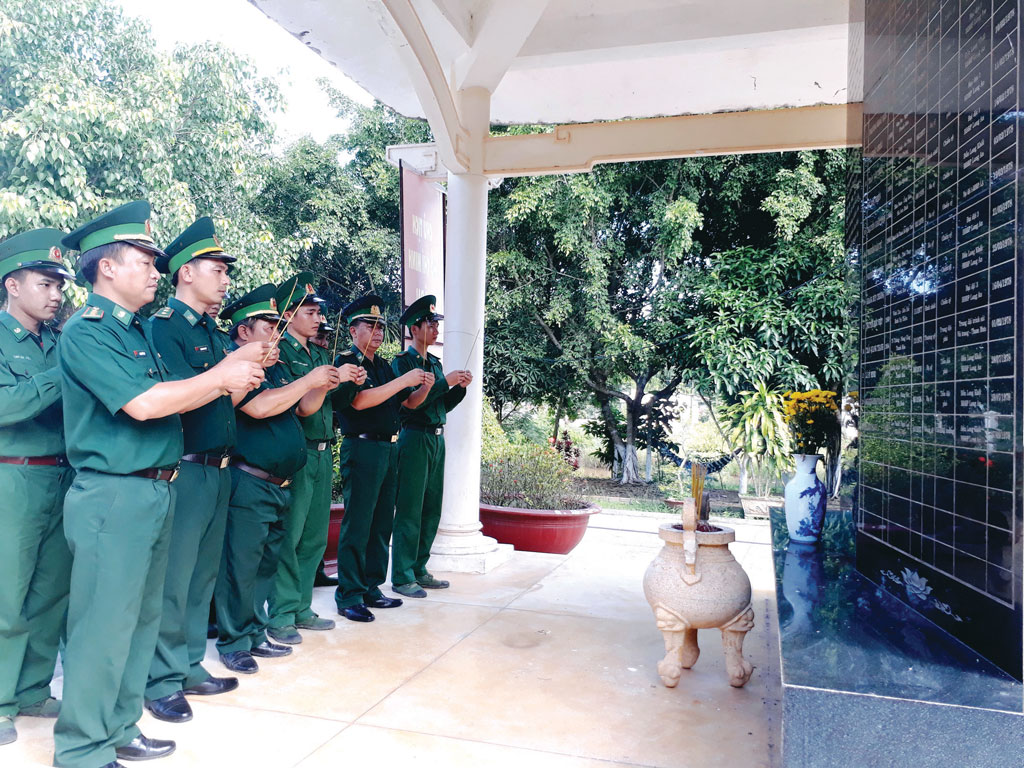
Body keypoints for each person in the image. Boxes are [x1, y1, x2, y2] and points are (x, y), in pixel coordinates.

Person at [53, 201, 266, 768]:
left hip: (152, 489)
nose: (156, 270)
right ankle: (81, 749)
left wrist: (222, 381)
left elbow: (177, 397)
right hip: (112, 494)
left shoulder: (136, 332)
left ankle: (119, 727)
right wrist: (221, 376)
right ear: (106, 269)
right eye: (143, 260)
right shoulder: (88, 332)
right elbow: (145, 404)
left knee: (139, 620)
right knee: (103, 625)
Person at [214, 285, 364, 673]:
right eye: (270, 325)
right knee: (243, 565)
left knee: (265, 563)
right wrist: (308, 380)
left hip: (278, 479)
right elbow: (261, 407)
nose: (277, 334)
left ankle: (256, 631)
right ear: (244, 332)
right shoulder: (239, 367)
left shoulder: (275, 366)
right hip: (248, 477)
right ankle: (234, 641)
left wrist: (321, 383)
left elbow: (301, 408)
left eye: (281, 324)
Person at [143, 217, 251, 723]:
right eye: (216, 268)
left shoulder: (211, 330)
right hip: (184, 469)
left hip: (220, 469)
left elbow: (230, 394)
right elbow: (178, 398)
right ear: (186, 272)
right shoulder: (165, 327)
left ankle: (187, 665)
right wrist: (226, 372)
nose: (225, 278)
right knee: (173, 576)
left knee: (201, 573)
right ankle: (160, 679)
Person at [0, 229, 75, 747]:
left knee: (51, 592)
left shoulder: (55, 340)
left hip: (59, 474)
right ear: (12, 285)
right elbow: (8, 406)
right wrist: (60, 374)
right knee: (8, 595)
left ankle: (31, 690)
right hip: (13, 475)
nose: (57, 295)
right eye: (46, 283)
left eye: (60, 286)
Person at [332, 296, 431, 622]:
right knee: (358, 523)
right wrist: (403, 381)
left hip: (388, 448)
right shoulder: (348, 363)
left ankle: (371, 586)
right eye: (370, 326)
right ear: (352, 330)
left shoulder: (382, 365)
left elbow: (409, 404)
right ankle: (349, 594)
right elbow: (359, 403)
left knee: (380, 524)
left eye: (381, 326)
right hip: (362, 448)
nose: (378, 332)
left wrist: (424, 387)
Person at [266, 273, 342, 644]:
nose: (317, 319)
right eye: (310, 312)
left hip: (325, 451)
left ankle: (301, 607)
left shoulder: (318, 354)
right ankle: (281, 612)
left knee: (313, 536)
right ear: (291, 314)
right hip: (298, 452)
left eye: (318, 313)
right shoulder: (281, 354)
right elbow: (301, 409)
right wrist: (321, 381)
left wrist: (335, 380)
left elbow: (324, 407)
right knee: (290, 534)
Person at [390, 296, 472, 598]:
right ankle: (402, 574)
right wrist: (443, 383)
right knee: (410, 507)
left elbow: (440, 404)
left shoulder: (434, 364)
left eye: (436, 324)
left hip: (436, 438)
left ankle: (419, 568)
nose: (435, 329)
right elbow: (411, 406)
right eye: (431, 324)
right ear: (415, 328)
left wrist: (458, 389)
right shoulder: (403, 363)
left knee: (431, 506)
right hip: (414, 437)